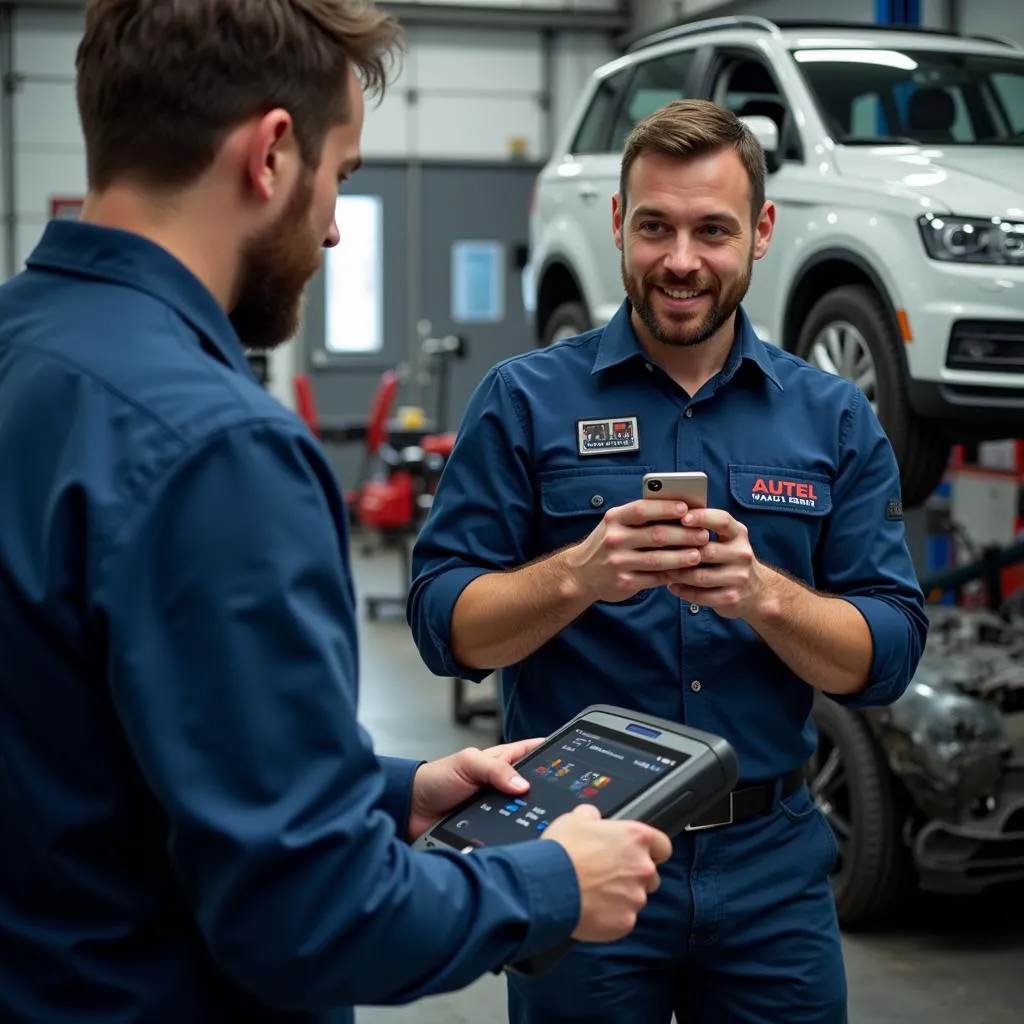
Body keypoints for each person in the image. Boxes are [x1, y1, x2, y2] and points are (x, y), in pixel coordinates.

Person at [0, 2, 675, 1022]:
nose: (332, 225)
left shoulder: (24, 353)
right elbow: (312, 918)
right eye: (343, 175)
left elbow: (101, 745)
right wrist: (551, 882)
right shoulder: (217, 448)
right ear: (272, 153)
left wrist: (388, 792)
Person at [408, 98, 930, 1024]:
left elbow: (884, 654)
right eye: (655, 226)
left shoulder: (834, 417)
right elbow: (446, 628)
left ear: (761, 233)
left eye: (712, 231)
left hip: (772, 870)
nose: (681, 260)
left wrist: (763, 594)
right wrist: (578, 573)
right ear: (617, 224)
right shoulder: (523, 402)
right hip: (574, 851)